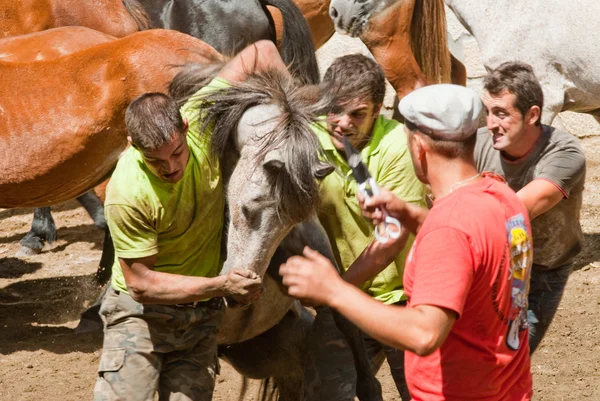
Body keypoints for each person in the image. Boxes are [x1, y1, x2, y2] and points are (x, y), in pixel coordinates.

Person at [281, 84, 534, 400]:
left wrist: (333, 289)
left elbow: (424, 333)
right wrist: (407, 214)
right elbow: (473, 245)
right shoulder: (502, 197)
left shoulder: (450, 227)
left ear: (418, 146)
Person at [93, 41, 289, 401]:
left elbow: (260, 52)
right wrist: (220, 286)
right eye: (156, 162)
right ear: (133, 144)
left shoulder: (198, 118)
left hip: (199, 321)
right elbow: (141, 285)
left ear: (184, 126)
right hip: (140, 317)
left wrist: (297, 119)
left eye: (177, 153)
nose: (171, 168)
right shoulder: (127, 192)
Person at [304, 54, 427, 401]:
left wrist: (335, 290)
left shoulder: (398, 146)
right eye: (335, 110)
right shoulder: (309, 141)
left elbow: (391, 239)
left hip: (403, 303)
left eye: (357, 113)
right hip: (341, 301)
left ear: (379, 110)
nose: (342, 123)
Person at [475, 61, 586, 353]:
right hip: (492, 264)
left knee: (513, 354)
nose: (489, 124)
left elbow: (518, 208)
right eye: (487, 112)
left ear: (532, 114)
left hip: (543, 268)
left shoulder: (564, 152)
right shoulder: (477, 144)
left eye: (501, 113)